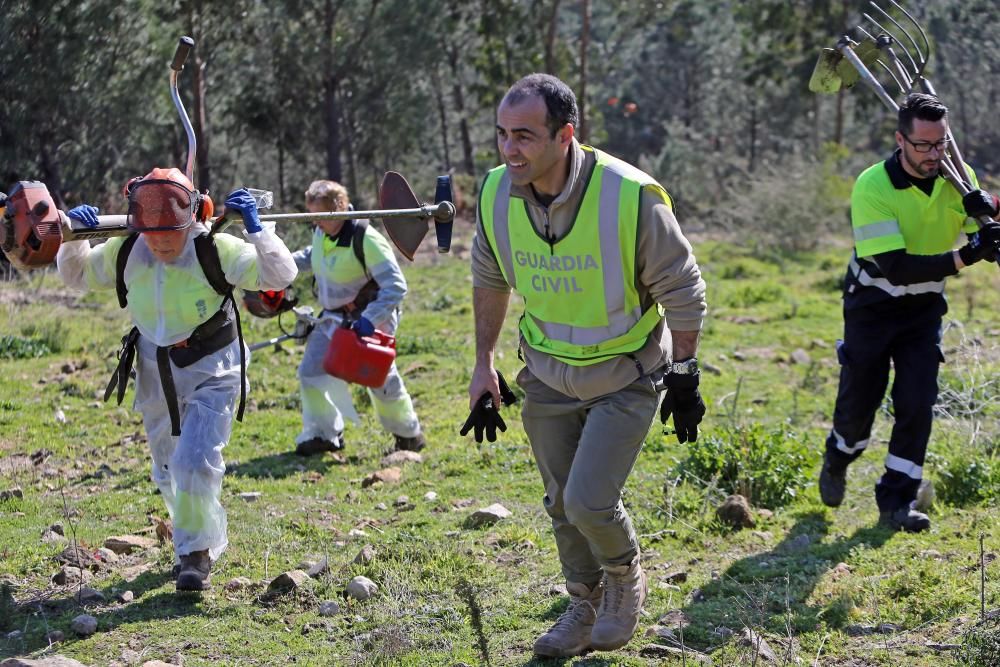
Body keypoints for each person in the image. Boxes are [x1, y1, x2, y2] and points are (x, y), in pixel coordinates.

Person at [465, 73, 707, 657]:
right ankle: (583, 600)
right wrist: (482, 365)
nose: (509, 149)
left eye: (524, 136)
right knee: (558, 502)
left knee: (588, 501)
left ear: (564, 134)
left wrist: (684, 372)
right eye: (502, 134)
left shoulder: (630, 195)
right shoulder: (497, 192)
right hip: (546, 375)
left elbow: (684, 289)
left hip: (625, 375)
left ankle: (624, 579)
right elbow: (490, 280)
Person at [56, 168, 298, 591]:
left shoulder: (216, 248)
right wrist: (73, 238)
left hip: (214, 367)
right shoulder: (127, 249)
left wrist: (258, 230)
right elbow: (76, 276)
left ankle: (194, 554)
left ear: (191, 218)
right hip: (155, 368)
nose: (162, 243)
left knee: (194, 462)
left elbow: (279, 276)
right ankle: (194, 535)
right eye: (153, 234)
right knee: (169, 469)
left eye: (171, 234)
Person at [819, 93, 1000, 532]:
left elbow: (984, 231)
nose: (934, 155)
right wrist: (969, 255)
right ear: (901, 140)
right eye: (923, 146)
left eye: (941, 145)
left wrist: (989, 215)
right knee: (860, 402)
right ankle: (840, 455)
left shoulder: (959, 179)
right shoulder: (873, 186)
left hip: (923, 311)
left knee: (917, 403)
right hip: (873, 306)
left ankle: (897, 502)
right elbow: (896, 268)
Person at [289, 179, 426, 456]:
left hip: (367, 318)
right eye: (310, 216)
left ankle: (408, 434)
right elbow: (313, 255)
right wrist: (279, 263)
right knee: (311, 372)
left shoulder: (367, 239)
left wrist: (370, 320)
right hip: (331, 319)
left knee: (380, 379)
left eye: (319, 216)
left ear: (339, 207)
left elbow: (395, 286)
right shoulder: (324, 231)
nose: (315, 223)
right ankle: (324, 434)